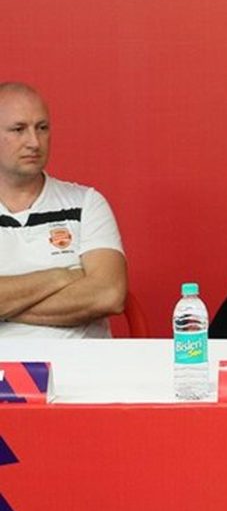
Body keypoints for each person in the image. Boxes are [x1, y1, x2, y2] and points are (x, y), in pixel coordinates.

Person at [0, 82, 127, 337]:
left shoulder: (87, 203)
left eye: (42, 128)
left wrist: (8, 304)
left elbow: (109, 295)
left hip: (79, 361)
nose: (34, 142)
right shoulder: (63, 275)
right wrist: (60, 277)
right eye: (18, 129)